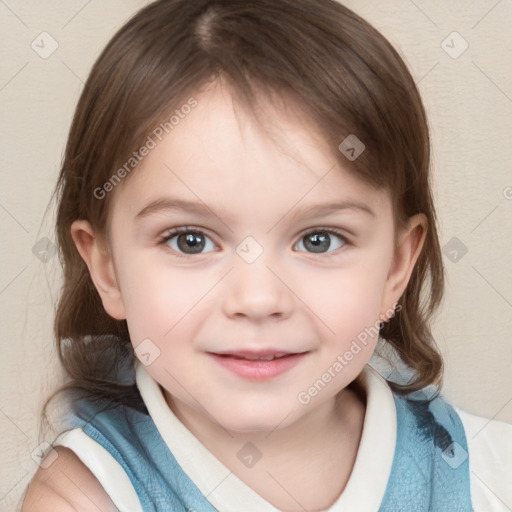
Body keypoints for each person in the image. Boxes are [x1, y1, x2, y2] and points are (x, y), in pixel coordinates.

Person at [22, 0, 511, 510]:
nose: (257, 299)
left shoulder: (490, 476)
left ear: (395, 267)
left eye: (319, 239)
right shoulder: (85, 497)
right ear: (107, 269)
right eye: (190, 240)